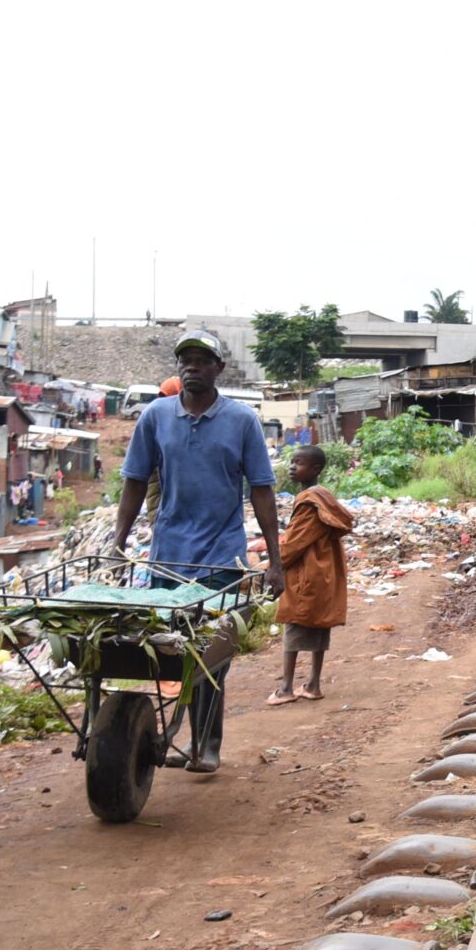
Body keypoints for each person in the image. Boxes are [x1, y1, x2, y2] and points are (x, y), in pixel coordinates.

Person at [114, 330, 283, 774]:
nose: (192, 366)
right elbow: (134, 481)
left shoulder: (242, 420)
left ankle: (207, 744)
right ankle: (165, 731)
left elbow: (262, 491)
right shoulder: (155, 416)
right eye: (186, 359)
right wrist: (118, 543)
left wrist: (275, 561)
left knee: (211, 656)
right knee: (169, 651)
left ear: (218, 369)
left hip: (221, 559)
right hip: (169, 557)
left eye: (202, 360)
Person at [270, 444, 353, 705]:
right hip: (326, 571)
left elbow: (294, 543)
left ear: (315, 469)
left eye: (299, 463)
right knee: (320, 626)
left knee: (294, 623)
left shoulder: (309, 502)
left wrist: (272, 566)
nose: (293, 467)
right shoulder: (324, 498)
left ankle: (286, 687)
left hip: (306, 572)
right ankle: (314, 684)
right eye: (292, 462)